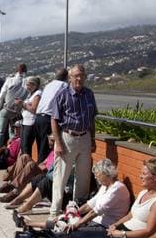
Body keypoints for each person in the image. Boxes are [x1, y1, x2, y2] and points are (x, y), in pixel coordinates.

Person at [55, 157, 156, 238]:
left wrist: (122, 234)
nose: (140, 176)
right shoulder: (143, 192)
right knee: (79, 234)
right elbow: (130, 215)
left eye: (144, 174)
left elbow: (148, 232)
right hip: (120, 231)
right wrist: (115, 225)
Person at [50, 64, 98, 218]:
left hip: (84, 138)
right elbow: (54, 120)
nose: (79, 78)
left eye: (81, 75)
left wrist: (93, 139)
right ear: (70, 78)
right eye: (76, 75)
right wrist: (58, 143)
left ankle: (76, 210)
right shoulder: (62, 95)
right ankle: (54, 211)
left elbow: (92, 119)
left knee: (83, 178)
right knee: (61, 176)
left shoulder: (89, 94)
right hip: (67, 138)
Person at [35, 68, 68, 162]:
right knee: (46, 149)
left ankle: (38, 169)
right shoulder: (64, 85)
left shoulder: (49, 85)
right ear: (66, 77)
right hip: (48, 119)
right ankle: (41, 173)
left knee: (40, 147)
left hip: (38, 118)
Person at [0, 63, 28, 146]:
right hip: (17, 111)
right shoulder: (27, 82)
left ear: (16, 70)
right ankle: (11, 149)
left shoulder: (10, 80)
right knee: (12, 132)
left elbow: (2, 93)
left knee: (0, 131)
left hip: (6, 109)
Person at [19, 76, 41, 155]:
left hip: (31, 123)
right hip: (25, 122)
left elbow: (34, 109)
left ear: (34, 85)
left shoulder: (37, 94)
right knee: (23, 146)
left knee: (26, 146)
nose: (27, 87)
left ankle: (27, 164)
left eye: (28, 85)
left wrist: (22, 104)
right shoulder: (31, 94)